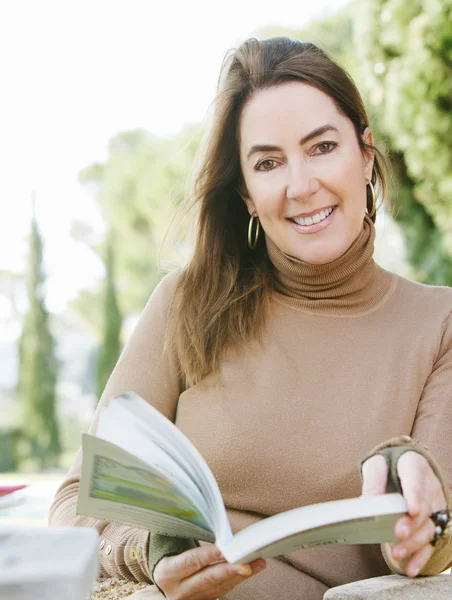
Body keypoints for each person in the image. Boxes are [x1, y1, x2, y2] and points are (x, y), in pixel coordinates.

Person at [49, 37, 452, 599]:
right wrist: (151, 554)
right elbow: (73, 505)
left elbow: (430, 542)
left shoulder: (441, 323)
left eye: (322, 147)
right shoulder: (185, 305)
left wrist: (418, 524)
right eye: (268, 162)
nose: (301, 185)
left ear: (365, 153)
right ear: (245, 194)